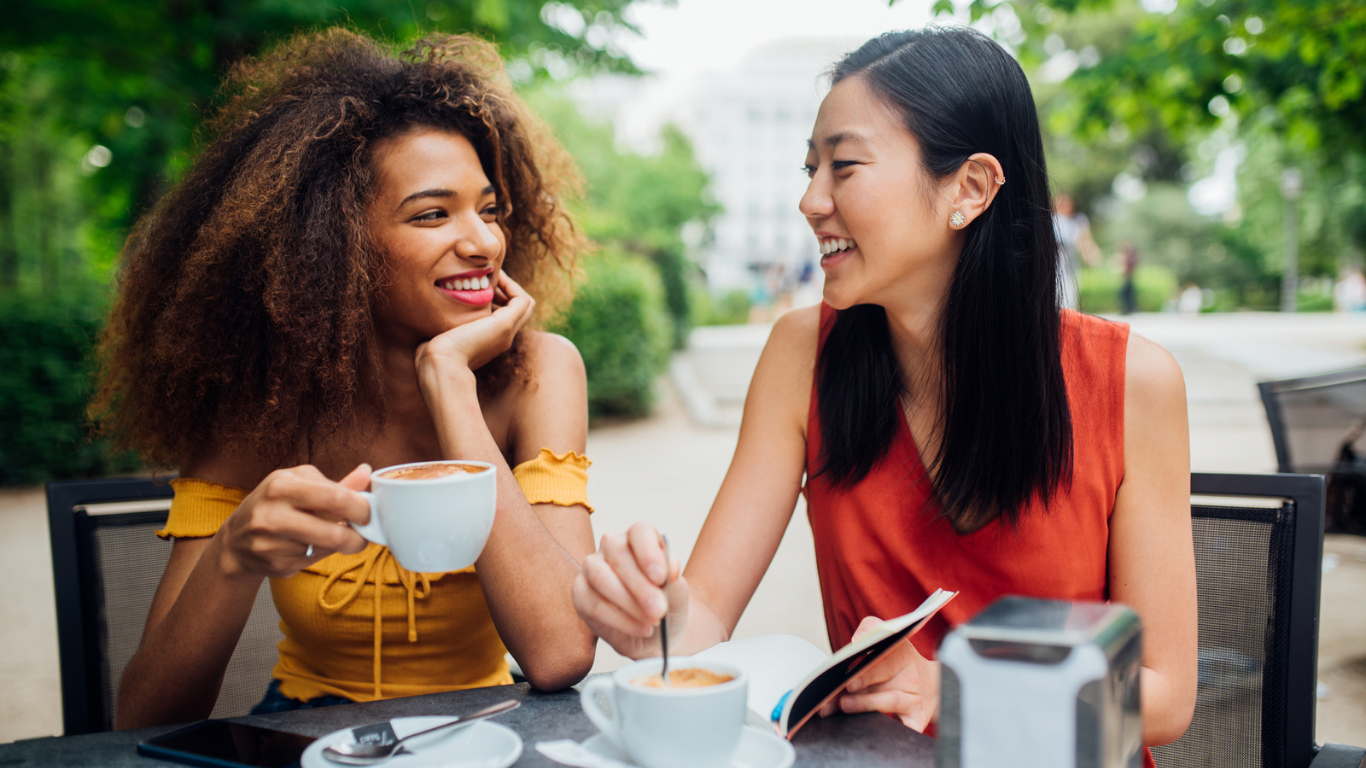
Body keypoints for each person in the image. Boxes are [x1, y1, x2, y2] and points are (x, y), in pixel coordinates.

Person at [572, 26, 1196, 761]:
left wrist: (953, 692)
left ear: (969, 189)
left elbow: (1165, 694)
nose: (810, 201)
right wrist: (655, 617)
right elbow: (703, 611)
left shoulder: (1133, 381)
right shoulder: (801, 354)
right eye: (810, 170)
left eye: (844, 167)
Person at [91, 29, 597, 729]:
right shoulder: (259, 401)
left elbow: (560, 652)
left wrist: (448, 377)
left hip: (491, 727)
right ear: (336, 241)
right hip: (309, 730)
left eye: (488, 208)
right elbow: (143, 717)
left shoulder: (539, 371)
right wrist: (233, 557)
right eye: (431, 213)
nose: (482, 241)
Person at [1053, 191, 1101, 309]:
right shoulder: (1051, 220)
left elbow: (1085, 241)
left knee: (1069, 295)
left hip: (1070, 264)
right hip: (1053, 265)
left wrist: (1091, 253)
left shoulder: (1077, 222)